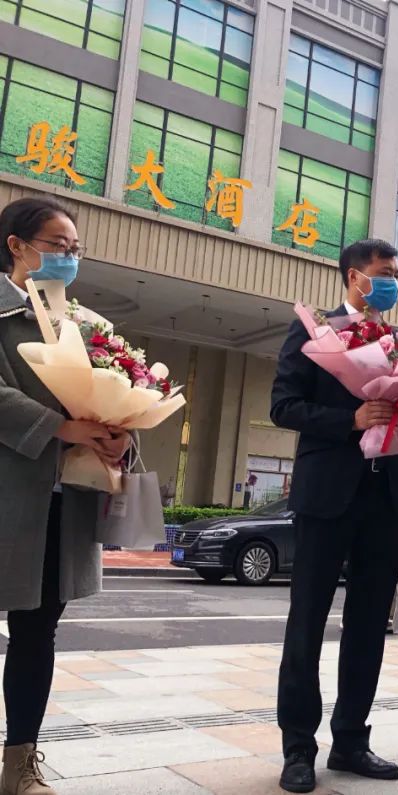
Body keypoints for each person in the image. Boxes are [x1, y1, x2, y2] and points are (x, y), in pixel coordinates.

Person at [272, 239, 398, 792]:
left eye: (395, 273)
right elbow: (283, 405)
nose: (390, 282)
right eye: (383, 273)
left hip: (384, 502)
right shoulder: (316, 332)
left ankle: (351, 742)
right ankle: (297, 749)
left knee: (368, 627)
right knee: (307, 622)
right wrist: (352, 419)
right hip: (326, 497)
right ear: (353, 276)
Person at [0, 197, 129, 795]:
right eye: (57, 244)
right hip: (6, 493)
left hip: (58, 502)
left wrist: (115, 435)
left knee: (37, 632)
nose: (68, 256)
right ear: (16, 245)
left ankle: (19, 762)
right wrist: (64, 427)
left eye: (74, 248)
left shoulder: (80, 323)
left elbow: (118, 391)